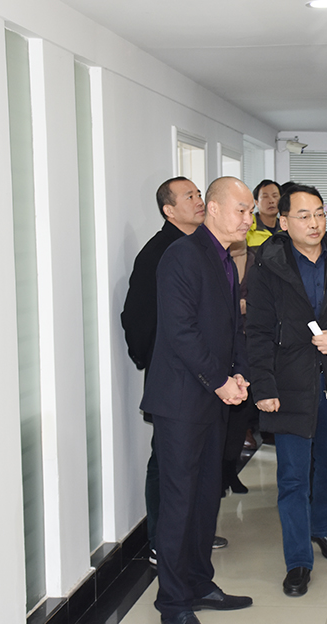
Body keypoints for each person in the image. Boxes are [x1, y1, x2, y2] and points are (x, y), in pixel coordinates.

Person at [140, 177, 255, 624]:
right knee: (179, 502)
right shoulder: (182, 256)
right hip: (182, 401)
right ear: (214, 208)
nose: (248, 218)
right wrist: (221, 380)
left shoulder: (222, 257)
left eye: (250, 210)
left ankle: (198, 584)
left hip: (212, 396)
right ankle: (173, 606)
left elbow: (231, 328)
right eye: (241, 210)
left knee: (207, 496)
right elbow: (180, 331)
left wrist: (239, 374)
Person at [246, 184, 327, 597]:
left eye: (319, 213)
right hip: (289, 383)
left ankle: (321, 527)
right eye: (303, 215)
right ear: (284, 222)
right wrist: (263, 386)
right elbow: (257, 331)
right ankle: (298, 560)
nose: (314, 222)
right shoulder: (266, 265)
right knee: (292, 476)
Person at [121, 177, 227, 563]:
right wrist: (154, 359)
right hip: (175, 376)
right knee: (167, 460)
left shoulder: (202, 247)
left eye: (199, 194)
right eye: (189, 197)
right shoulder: (159, 253)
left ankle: (191, 535)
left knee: (195, 461)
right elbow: (137, 318)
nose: (199, 200)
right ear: (169, 210)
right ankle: (159, 540)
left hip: (203, 373)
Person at [246, 179, 282, 251]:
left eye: (275, 196)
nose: (271, 201)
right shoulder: (247, 227)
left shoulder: (286, 229)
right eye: (265, 197)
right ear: (256, 203)